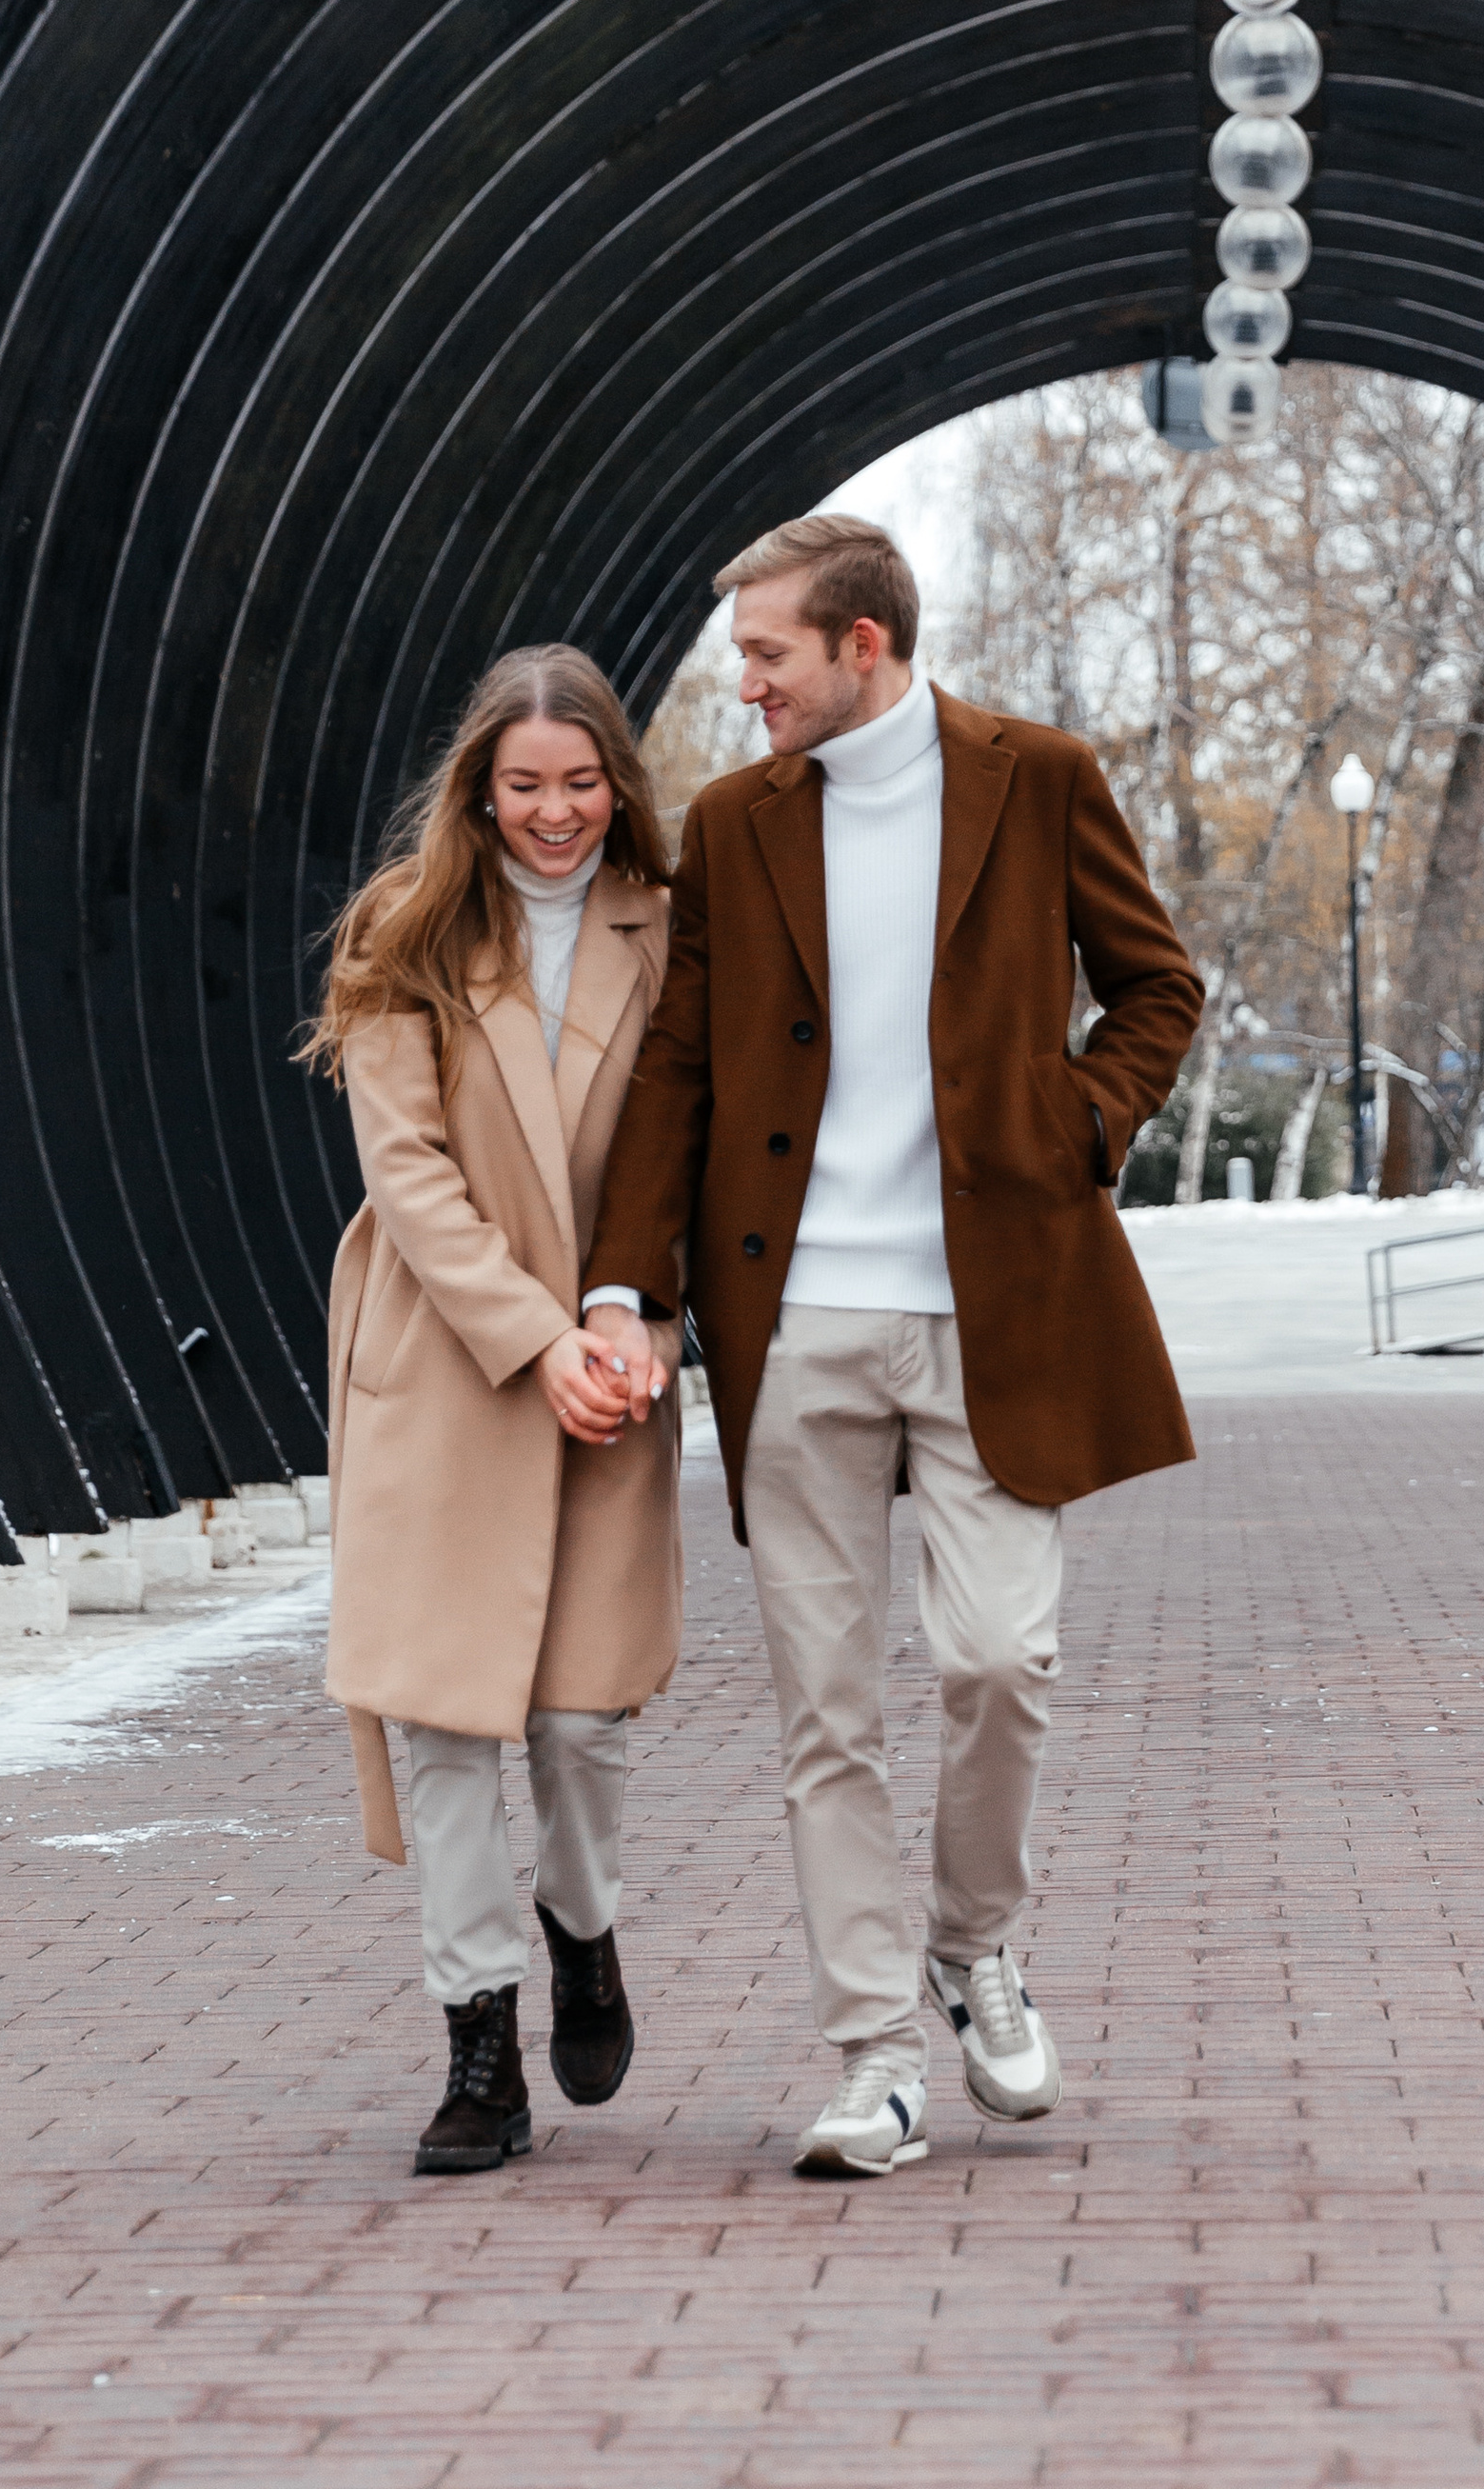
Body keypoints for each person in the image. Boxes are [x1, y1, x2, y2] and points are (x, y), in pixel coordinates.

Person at [584, 513, 1204, 2177]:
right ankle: (872, 2057)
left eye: (770, 654)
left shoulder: (1040, 776)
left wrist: (1073, 1125)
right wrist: (628, 1286)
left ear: (863, 644)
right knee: (826, 1714)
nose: (746, 683)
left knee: (1002, 1664)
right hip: (793, 1323)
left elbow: (1157, 987)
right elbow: (678, 1070)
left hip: (994, 1304)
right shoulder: (731, 824)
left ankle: (973, 1941)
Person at [301, 645, 682, 2178]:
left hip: (610, 1359)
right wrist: (529, 1337)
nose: (556, 815)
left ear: (618, 785)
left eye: (583, 785)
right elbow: (409, 1173)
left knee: (580, 1719)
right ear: (477, 788)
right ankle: (478, 2049)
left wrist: (629, 1323)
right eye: (525, 786)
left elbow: (689, 1140)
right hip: (446, 1357)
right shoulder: (407, 932)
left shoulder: (667, 931)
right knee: (446, 1718)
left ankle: (581, 1930)